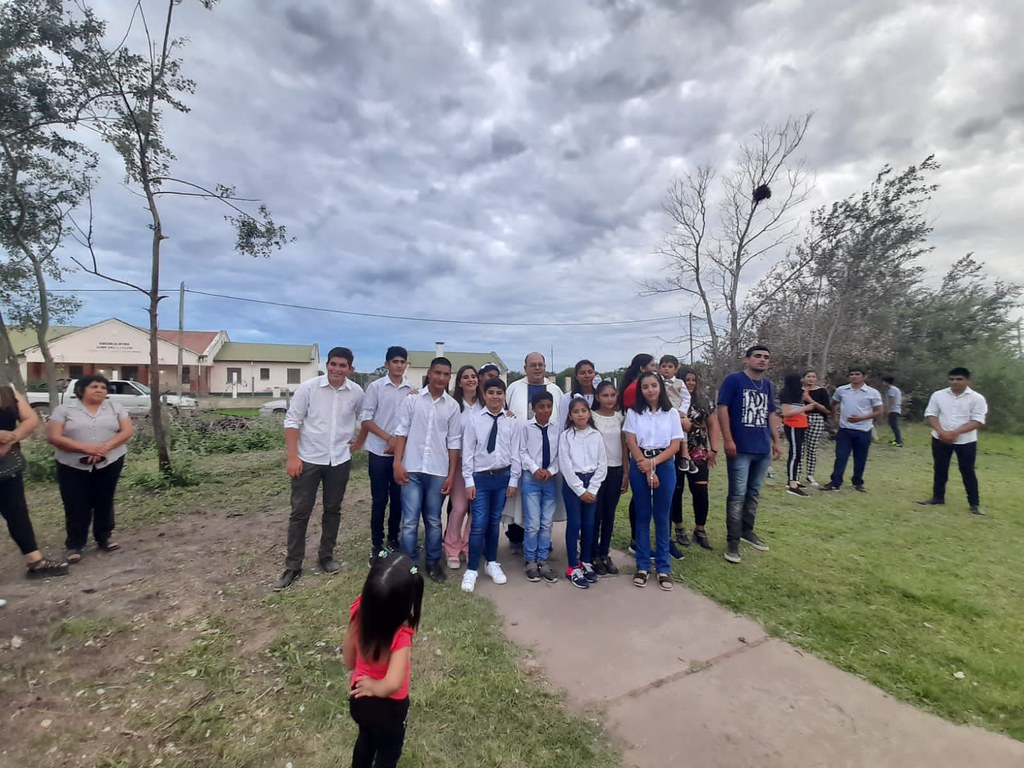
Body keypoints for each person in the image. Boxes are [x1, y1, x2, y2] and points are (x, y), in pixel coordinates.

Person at [276, 347, 364, 591]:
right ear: (327, 365)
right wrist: (292, 457)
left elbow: (366, 416)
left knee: (333, 510)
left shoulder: (356, 392)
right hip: (309, 459)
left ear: (350, 369)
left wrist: (359, 442)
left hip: (339, 460)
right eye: (333, 364)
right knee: (300, 511)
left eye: (342, 365)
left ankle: (326, 556)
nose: (337, 369)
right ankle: (293, 566)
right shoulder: (309, 388)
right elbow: (292, 420)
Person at [343, 550, 424, 768]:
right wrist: (376, 687)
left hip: (359, 698)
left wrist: (366, 684)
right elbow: (392, 683)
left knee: (366, 740)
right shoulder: (401, 637)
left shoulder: (358, 614)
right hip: (390, 712)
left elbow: (349, 661)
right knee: (387, 754)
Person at [46, 375, 134, 561]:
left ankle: (104, 538)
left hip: (109, 460)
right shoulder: (64, 410)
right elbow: (54, 437)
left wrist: (104, 449)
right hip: (72, 463)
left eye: (103, 387)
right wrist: (87, 448)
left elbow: (126, 431)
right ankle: (75, 544)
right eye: (94, 386)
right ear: (80, 390)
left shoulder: (115, 408)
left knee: (104, 499)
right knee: (75, 502)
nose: (99, 390)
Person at [393, 358, 461, 583]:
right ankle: (409, 565)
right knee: (410, 520)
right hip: (411, 469)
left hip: (438, 471)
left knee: (433, 520)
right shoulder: (412, 400)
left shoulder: (452, 406)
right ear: (429, 374)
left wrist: (451, 474)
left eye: (446, 374)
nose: (441, 378)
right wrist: (397, 462)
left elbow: (453, 442)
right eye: (437, 373)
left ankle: (433, 563)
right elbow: (401, 432)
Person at [717, 345, 782, 564]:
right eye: (758, 356)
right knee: (737, 494)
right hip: (740, 448)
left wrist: (777, 441)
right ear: (747, 360)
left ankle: (747, 531)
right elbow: (722, 408)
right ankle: (732, 541)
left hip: (762, 449)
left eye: (766, 357)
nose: (762, 360)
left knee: (753, 493)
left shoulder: (767, 385)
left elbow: (771, 413)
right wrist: (727, 439)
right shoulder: (734, 380)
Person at [0, 385, 68, 579]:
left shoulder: (7, 391)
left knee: (17, 512)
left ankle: (36, 562)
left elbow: (30, 420)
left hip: (5, 465)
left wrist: (11, 439)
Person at [461, 377, 520, 593]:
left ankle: (492, 563)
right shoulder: (474, 420)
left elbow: (516, 453)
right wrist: (468, 481)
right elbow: (467, 453)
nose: (495, 397)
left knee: (495, 521)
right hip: (481, 479)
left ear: (504, 396)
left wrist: (513, 480)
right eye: (491, 393)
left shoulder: (511, 421)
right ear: (484, 395)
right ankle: (472, 568)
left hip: (502, 478)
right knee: (479, 523)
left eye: (499, 393)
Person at [624, 372, 683, 591]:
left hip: (664, 463)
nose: (650, 390)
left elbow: (675, 444)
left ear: (660, 387)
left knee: (662, 516)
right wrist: (643, 463)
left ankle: (663, 566)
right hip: (640, 463)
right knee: (642, 514)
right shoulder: (634, 413)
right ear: (640, 390)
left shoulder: (672, 414)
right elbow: (630, 440)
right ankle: (642, 565)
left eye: (654, 385)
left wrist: (654, 463)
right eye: (645, 386)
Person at [357, 347, 414, 566]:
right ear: (387, 364)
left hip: (401, 456)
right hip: (379, 452)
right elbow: (366, 419)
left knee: (399, 500)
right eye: (395, 361)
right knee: (380, 500)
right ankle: (376, 545)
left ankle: (393, 541)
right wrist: (389, 438)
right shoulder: (376, 387)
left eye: (402, 362)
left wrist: (399, 444)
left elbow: (412, 422)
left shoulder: (412, 390)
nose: (399, 365)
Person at [504, 352, 562, 553]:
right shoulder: (514, 388)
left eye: (541, 365)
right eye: (533, 365)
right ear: (525, 367)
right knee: (519, 502)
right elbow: (503, 412)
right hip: (520, 455)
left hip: (547, 463)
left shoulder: (555, 390)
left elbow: (560, 421)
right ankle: (516, 537)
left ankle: (543, 544)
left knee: (543, 513)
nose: (537, 368)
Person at [916, 367, 988, 515]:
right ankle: (938, 497)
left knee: (967, 470)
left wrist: (955, 432)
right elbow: (931, 414)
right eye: (952, 379)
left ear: (967, 380)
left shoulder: (977, 398)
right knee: (940, 468)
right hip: (940, 438)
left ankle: (974, 504)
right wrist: (941, 432)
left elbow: (978, 420)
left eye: (959, 379)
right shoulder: (938, 395)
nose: (955, 382)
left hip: (966, 440)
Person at [559, 396, 608, 589]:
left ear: (589, 413)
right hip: (573, 485)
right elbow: (565, 465)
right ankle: (573, 566)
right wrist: (580, 490)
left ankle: (586, 560)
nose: (580, 414)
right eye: (576, 411)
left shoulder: (596, 435)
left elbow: (602, 465)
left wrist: (593, 488)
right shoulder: (566, 436)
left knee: (589, 524)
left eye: (584, 410)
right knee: (575, 523)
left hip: (592, 483)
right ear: (570, 415)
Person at [674, 369, 721, 549]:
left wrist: (714, 450)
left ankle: (700, 529)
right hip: (676, 452)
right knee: (676, 491)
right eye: (687, 380)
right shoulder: (672, 401)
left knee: (701, 491)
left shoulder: (703, 402)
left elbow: (713, 425)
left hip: (699, 452)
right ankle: (679, 527)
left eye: (694, 380)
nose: (691, 383)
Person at [520, 391, 560, 584]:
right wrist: (535, 469)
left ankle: (543, 560)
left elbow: (562, 453)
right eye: (541, 406)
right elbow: (522, 451)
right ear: (533, 408)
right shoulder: (526, 427)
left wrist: (551, 470)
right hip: (531, 478)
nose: (545, 410)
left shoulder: (557, 428)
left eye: (549, 406)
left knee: (546, 522)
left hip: (550, 479)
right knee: (533, 522)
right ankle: (530, 559)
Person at [821, 366, 883, 493]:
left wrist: (862, 418)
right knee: (841, 456)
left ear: (864, 377)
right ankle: (835, 482)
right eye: (851, 374)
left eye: (857, 374)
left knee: (860, 457)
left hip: (863, 429)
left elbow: (879, 411)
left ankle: (857, 482)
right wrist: (834, 419)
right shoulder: (842, 390)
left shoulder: (872, 393)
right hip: (845, 429)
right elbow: (833, 404)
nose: (854, 376)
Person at [443, 365, 479, 569]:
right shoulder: (454, 405)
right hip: (459, 463)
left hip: (480, 466)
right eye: (466, 377)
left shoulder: (484, 404)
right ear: (459, 382)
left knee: (475, 509)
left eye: (473, 376)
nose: (470, 380)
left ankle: (467, 546)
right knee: (459, 507)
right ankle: (452, 549)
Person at [591, 381, 627, 575]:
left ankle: (605, 552)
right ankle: (592, 553)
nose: (609, 399)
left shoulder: (620, 418)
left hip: (615, 470)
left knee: (609, 514)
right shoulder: (591, 417)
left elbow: (624, 446)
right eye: (605, 395)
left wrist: (626, 472)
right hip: (597, 472)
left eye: (613, 395)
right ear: (598, 397)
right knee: (595, 514)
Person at [620, 353, 655, 552]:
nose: (656, 368)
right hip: (640, 448)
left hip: (649, 449)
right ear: (642, 369)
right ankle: (637, 540)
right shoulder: (634, 389)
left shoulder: (636, 387)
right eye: (652, 365)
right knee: (641, 496)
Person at [780, 373, 814, 498]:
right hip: (793, 426)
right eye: (799, 380)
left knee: (798, 454)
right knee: (794, 454)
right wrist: (805, 409)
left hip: (801, 426)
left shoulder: (798, 393)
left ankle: (793, 480)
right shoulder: (786, 393)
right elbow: (786, 412)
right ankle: (792, 485)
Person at [801, 370, 832, 487]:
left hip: (816, 418)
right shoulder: (798, 390)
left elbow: (827, 410)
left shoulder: (821, 391)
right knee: (800, 448)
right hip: (801, 418)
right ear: (803, 378)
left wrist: (810, 400)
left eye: (813, 377)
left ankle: (810, 474)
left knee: (812, 448)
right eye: (808, 376)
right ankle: (796, 475)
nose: (811, 379)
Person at [882, 375, 904, 447]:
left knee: (894, 425)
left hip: (893, 410)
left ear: (887, 382)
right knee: (893, 425)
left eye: (883, 382)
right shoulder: (895, 389)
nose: (883, 383)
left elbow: (891, 400)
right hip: (896, 409)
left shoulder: (891, 389)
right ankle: (897, 439)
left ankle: (899, 441)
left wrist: (888, 410)